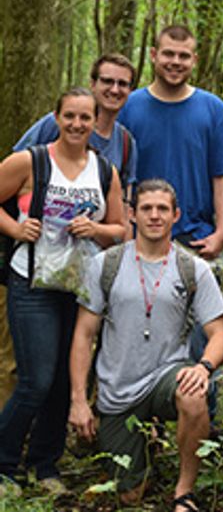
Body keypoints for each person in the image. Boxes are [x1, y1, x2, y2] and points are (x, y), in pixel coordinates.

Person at [68, 179, 223, 511]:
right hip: (119, 387)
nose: (154, 216)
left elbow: (220, 334)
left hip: (168, 374)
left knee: (194, 393)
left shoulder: (193, 269)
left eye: (162, 209)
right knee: (129, 496)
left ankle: (184, 492)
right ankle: (144, 441)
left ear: (175, 215)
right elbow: (84, 335)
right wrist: (79, 401)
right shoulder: (105, 265)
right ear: (131, 214)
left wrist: (203, 367)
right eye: (146, 209)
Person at [0, 87, 125, 494]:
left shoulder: (104, 170)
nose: (76, 124)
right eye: (69, 116)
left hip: (79, 288)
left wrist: (97, 229)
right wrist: (15, 228)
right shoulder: (32, 161)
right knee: (36, 378)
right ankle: (4, 465)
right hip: (32, 282)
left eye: (84, 118)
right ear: (56, 118)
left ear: (94, 123)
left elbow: (121, 230)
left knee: (61, 382)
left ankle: (45, 465)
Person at [118, 25, 223, 419]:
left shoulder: (213, 109)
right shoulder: (130, 107)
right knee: (138, 335)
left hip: (196, 240)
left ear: (195, 60)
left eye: (184, 55)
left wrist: (221, 232)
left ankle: (204, 427)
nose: (175, 62)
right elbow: (118, 175)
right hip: (142, 241)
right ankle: (142, 428)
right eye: (168, 53)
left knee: (202, 341)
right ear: (153, 54)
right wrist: (125, 228)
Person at [14, 53, 138, 192]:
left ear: (130, 90)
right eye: (107, 81)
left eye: (122, 84)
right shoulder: (59, 123)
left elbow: (125, 196)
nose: (115, 90)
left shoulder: (126, 142)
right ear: (93, 84)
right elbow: (13, 168)